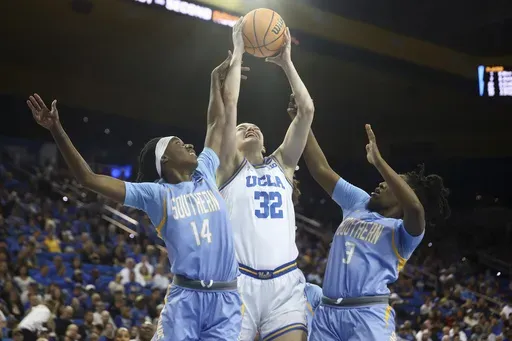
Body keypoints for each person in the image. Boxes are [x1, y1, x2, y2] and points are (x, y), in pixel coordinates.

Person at [27, 53, 248, 341]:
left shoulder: (204, 174)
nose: (190, 144)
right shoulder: (156, 194)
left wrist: (213, 82)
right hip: (187, 300)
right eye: (180, 144)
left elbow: (215, 124)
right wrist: (56, 129)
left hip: (226, 298)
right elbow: (88, 179)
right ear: (165, 159)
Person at [287, 98, 450, 341]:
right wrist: (302, 122)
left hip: (368, 314)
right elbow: (320, 168)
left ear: (403, 196)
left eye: (392, 183)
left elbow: (415, 209)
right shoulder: (358, 203)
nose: (382, 182)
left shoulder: (405, 233)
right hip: (328, 313)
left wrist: (379, 163)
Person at [218, 17, 315, 341]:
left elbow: (307, 111)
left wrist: (286, 63)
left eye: (254, 125)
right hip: (238, 282)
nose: (250, 126)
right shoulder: (228, 168)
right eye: (241, 126)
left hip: (285, 283)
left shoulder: (283, 166)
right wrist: (239, 50)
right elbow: (229, 105)